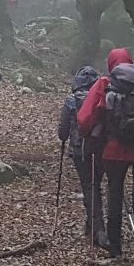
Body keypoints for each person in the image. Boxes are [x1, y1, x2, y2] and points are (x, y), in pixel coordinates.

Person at [76, 47, 134, 265]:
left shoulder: (105, 83)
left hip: (114, 150)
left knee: (114, 195)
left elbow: (85, 119)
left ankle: (115, 248)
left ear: (110, 64)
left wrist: (91, 136)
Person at [56, 65, 101, 234]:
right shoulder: (102, 97)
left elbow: (62, 132)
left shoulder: (71, 100)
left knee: (88, 186)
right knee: (96, 184)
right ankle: (95, 225)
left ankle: (95, 226)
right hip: (99, 148)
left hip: (79, 150)